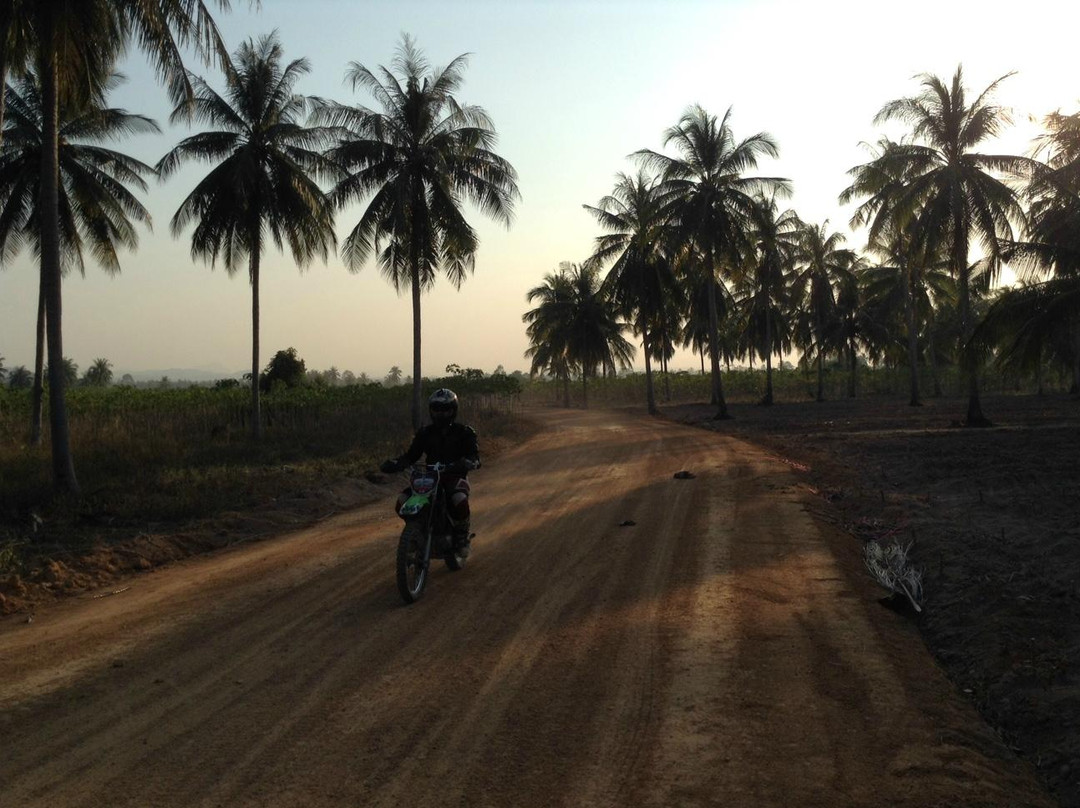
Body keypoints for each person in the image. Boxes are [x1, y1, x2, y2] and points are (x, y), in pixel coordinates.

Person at [380, 389, 480, 556]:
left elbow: (474, 456)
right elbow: (411, 455)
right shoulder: (425, 433)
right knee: (402, 501)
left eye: (445, 409)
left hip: (454, 476)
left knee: (458, 499)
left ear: (453, 410)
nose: (441, 414)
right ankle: (415, 532)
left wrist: (468, 462)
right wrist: (396, 463)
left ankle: (462, 536)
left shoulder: (464, 432)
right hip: (428, 478)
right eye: (436, 409)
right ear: (431, 410)